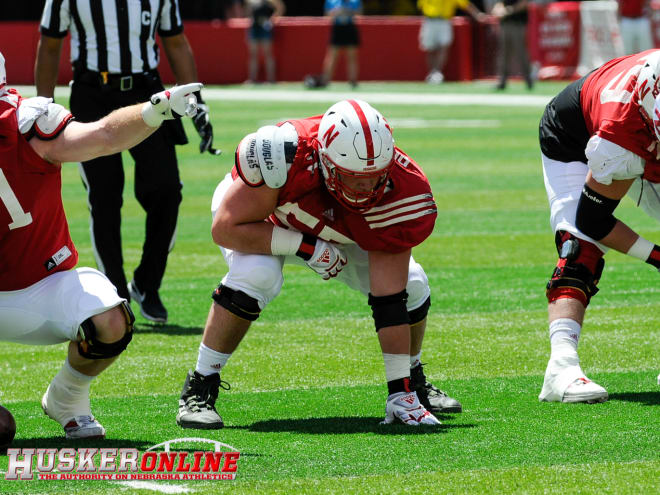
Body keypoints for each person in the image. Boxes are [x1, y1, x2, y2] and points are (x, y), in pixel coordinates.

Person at [175, 99, 463, 429]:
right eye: (354, 177)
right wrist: (305, 247)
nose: (367, 187)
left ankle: (410, 384)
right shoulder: (283, 153)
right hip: (264, 218)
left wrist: (398, 392)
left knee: (412, 284)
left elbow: (388, 298)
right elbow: (226, 228)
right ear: (324, 159)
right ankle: (199, 386)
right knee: (258, 274)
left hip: (338, 229)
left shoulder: (405, 190)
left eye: (375, 176)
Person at [0, 50, 201, 438]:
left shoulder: (27, 125)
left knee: (110, 321)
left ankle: (68, 397)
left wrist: (153, 111)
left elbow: (103, 136)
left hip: (41, 285)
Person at [35, 0, 219, 324]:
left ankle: (147, 285)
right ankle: (116, 295)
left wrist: (196, 102)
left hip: (147, 91)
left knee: (166, 192)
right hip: (93, 91)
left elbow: (175, 40)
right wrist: (43, 106)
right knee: (104, 197)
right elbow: (50, 45)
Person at [538, 49, 660, 403]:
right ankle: (561, 367)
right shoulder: (622, 131)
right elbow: (591, 220)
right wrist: (655, 255)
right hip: (574, 137)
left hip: (636, 137)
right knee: (580, 246)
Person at [417, 0, 486, 84]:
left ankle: (437, 73)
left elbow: (465, 4)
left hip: (444, 21)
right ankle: (432, 72)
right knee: (430, 48)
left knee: (444, 46)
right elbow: (421, 6)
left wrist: (477, 14)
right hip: (430, 20)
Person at [304, 0, 362, 89]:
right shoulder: (331, 1)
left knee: (352, 56)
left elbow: (359, 14)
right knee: (332, 56)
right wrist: (337, 12)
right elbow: (327, 15)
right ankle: (326, 80)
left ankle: (353, 81)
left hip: (350, 27)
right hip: (337, 28)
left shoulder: (355, 1)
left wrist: (347, 11)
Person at [491, 0, 533, 90]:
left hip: (518, 24)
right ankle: (502, 81)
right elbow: (499, 3)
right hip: (505, 24)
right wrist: (499, 10)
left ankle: (528, 80)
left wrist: (509, 10)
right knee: (504, 54)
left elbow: (525, 3)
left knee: (521, 53)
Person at [245, 0, 286, 84]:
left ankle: (271, 80)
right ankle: (252, 79)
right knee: (253, 54)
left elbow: (280, 7)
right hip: (254, 27)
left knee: (268, 53)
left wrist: (272, 19)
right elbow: (247, 8)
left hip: (265, 27)